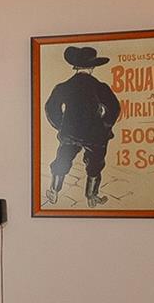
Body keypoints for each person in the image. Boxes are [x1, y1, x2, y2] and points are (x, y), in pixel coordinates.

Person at [44, 45, 120, 207]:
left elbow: (51, 108)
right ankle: (92, 196)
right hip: (94, 135)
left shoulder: (63, 86)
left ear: (76, 67)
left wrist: (62, 126)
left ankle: (54, 190)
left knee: (62, 159)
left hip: (70, 134)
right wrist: (104, 126)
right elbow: (114, 108)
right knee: (95, 163)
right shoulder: (100, 87)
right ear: (92, 67)